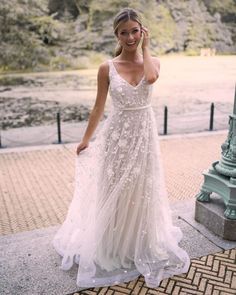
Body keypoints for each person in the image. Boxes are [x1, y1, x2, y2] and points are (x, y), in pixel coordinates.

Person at [53, 7, 190, 289]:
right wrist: (85, 139)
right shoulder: (107, 67)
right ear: (116, 34)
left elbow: (150, 78)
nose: (130, 37)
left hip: (144, 136)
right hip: (117, 137)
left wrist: (147, 48)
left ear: (142, 31)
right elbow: (98, 107)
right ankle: (114, 246)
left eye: (135, 31)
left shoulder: (154, 63)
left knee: (141, 188)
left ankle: (139, 243)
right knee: (115, 187)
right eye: (124, 32)